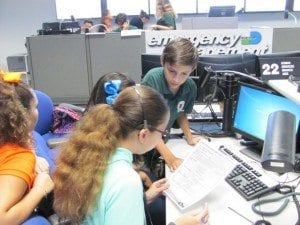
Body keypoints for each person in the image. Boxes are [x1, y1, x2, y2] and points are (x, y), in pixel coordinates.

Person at [53, 85, 209, 225]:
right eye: (162, 132)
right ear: (143, 135)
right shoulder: (126, 182)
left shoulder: (97, 152)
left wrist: (143, 198)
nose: (162, 137)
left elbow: (103, 207)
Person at [0, 77, 54, 225]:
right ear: (21, 115)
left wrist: (34, 155)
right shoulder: (18, 157)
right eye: (35, 107)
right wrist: (40, 189)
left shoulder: (7, 139)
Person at [141, 37, 200, 173]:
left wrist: (189, 137)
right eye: (172, 71)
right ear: (163, 61)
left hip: (162, 138)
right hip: (144, 141)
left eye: (184, 73)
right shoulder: (152, 79)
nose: (176, 79)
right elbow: (149, 126)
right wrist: (170, 158)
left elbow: (181, 112)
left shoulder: (190, 87)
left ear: (192, 70)